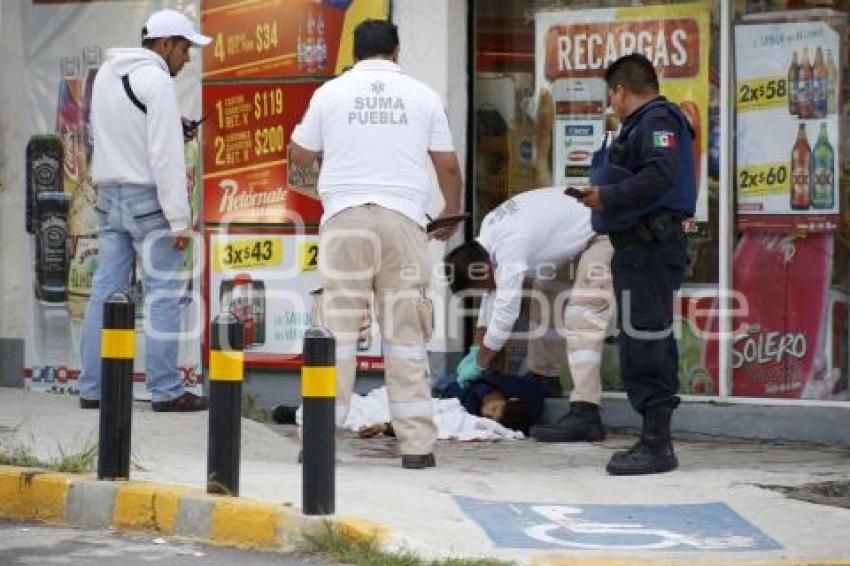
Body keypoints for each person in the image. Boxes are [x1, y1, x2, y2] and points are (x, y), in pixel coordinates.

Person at [289, 19, 463, 470]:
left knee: (337, 335)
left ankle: (319, 445)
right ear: (397, 50)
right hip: (403, 220)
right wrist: (449, 212)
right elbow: (447, 166)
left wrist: (325, 191)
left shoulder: (329, 94)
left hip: (344, 221)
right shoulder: (422, 95)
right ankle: (417, 448)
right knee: (406, 336)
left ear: (354, 50)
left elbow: (300, 156)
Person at [78, 9, 210, 412]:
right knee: (164, 295)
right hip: (148, 201)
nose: (186, 59)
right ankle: (167, 390)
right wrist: (179, 219)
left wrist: (174, 126)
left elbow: (111, 131)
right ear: (165, 43)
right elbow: (165, 156)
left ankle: (91, 389)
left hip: (109, 195)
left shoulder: (105, 74)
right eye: (185, 48)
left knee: (104, 292)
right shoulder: (156, 80)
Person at [571, 53, 696, 475]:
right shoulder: (642, 124)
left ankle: (658, 445)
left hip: (651, 246)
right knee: (644, 337)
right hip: (639, 248)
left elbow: (660, 174)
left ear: (621, 90)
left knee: (648, 339)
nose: (612, 104)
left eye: (612, 96)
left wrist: (608, 196)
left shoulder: (659, 121)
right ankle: (653, 438)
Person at [443, 187, 614, 442]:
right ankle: (545, 377)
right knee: (543, 298)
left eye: (481, 286)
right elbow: (491, 298)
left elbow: (506, 308)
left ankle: (586, 410)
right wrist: (475, 349)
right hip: (569, 244)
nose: (486, 291)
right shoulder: (487, 241)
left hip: (602, 231)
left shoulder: (510, 243)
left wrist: (481, 362)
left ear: (484, 269)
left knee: (581, 315)